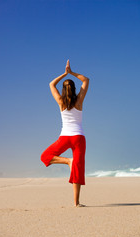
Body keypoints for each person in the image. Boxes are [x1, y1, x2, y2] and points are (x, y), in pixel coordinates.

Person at [41, 60, 89, 207]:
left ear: (63, 89)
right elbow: (86, 80)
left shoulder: (61, 102)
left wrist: (64, 73)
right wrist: (72, 72)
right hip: (79, 138)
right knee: (78, 169)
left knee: (45, 156)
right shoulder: (79, 100)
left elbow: (51, 84)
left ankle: (68, 161)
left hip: (65, 137)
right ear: (74, 88)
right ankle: (76, 202)